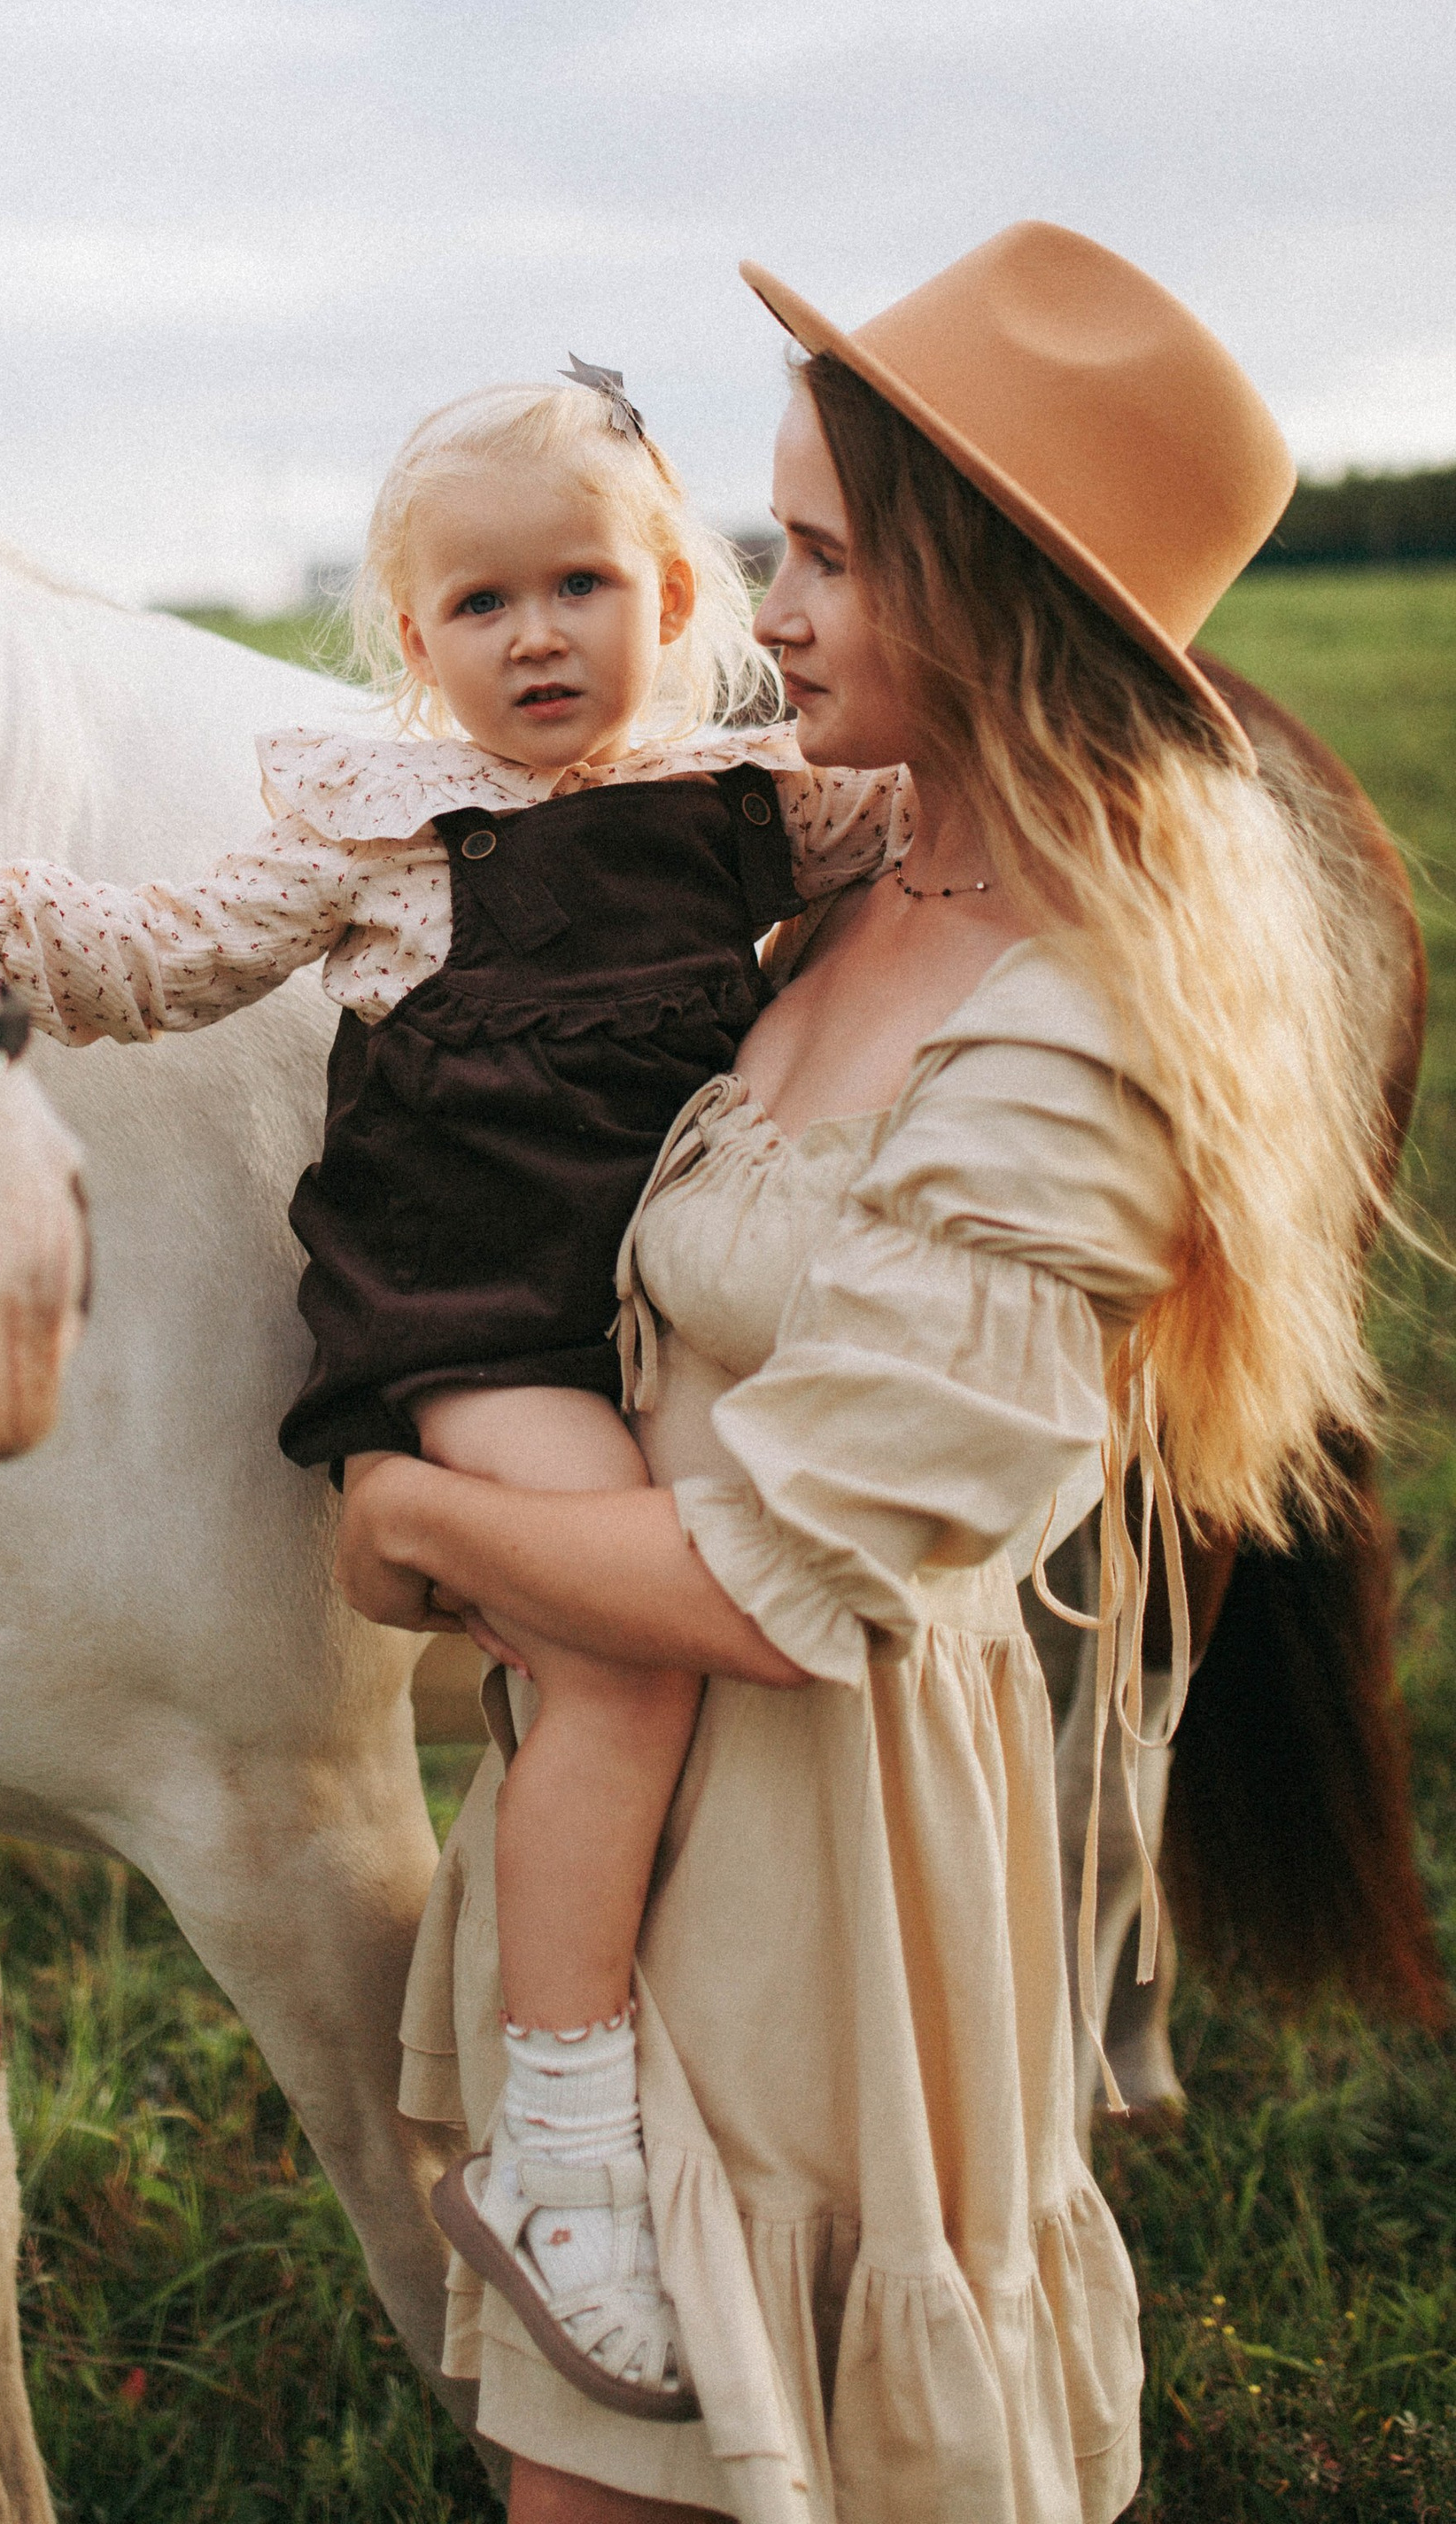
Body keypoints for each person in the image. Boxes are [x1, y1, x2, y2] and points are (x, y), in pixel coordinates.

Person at [342, 225, 1387, 2523]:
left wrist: (418, 1523)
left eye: (818, 556)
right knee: (584, 2467)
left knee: (719, 2454)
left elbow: (776, 1577)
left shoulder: (1076, 1046)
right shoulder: (845, 880)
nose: (764, 608)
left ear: (990, 598)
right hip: (628, 1778)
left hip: (822, 1859)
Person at [0, 369, 900, 2411]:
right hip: (471, 1317)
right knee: (622, 1660)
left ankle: (727, 2072)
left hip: (661, 1307)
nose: (536, 635)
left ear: (673, 593)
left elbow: (962, 821)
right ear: (414, 644)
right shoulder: (379, 829)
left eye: (579, 584)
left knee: (757, 1653)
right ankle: (556, 2152)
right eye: (477, 606)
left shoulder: (754, 803)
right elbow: (155, 958)